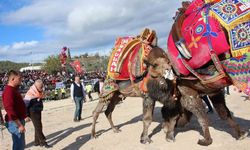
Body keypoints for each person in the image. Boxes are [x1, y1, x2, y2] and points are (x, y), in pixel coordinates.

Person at [2, 70, 27, 150]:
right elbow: (9, 109)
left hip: (17, 121)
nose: (21, 80)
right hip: (14, 122)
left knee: (19, 144)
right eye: (19, 79)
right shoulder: (8, 91)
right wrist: (19, 125)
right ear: (12, 79)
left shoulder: (13, 89)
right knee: (19, 146)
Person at [24, 79, 51, 148]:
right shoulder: (30, 93)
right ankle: (43, 142)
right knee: (38, 127)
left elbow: (40, 97)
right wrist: (26, 116)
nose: (41, 89)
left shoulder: (39, 91)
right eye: (40, 87)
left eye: (42, 87)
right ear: (36, 86)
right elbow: (25, 105)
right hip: (32, 112)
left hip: (38, 110)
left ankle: (36, 142)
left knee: (38, 126)